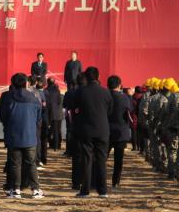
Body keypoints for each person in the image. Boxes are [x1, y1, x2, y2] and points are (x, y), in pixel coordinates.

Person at [70, 67, 112, 197]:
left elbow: (74, 109)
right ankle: (103, 191)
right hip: (102, 130)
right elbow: (109, 111)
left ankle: (85, 190)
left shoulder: (80, 92)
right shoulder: (105, 92)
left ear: (86, 77)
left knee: (86, 160)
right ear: (98, 77)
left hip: (86, 130)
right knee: (101, 160)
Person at [0, 73, 43, 198]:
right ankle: (35, 190)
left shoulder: (8, 98)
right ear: (26, 83)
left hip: (13, 136)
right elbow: (39, 118)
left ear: (13, 84)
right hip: (30, 136)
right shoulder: (34, 98)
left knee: (15, 164)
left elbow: (3, 117)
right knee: (31, 163)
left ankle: (16, 190)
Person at [106, 75, 132, 189]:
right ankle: (115, 182)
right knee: (118, 160)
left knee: (102, 158)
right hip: (121, 132)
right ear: (119, 85)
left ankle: (98, 178)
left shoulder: (105, 96)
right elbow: (130, 110)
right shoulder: (124, 98)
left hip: (106, 131)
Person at [45, 77, 64, 151]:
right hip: (58, 113)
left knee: (50, 130)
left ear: (47, 82)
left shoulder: (46, 90)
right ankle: (57, 146)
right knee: (57, 130)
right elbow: (59, 101)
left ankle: (52, 145)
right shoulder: (57, 90)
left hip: (50, 113)